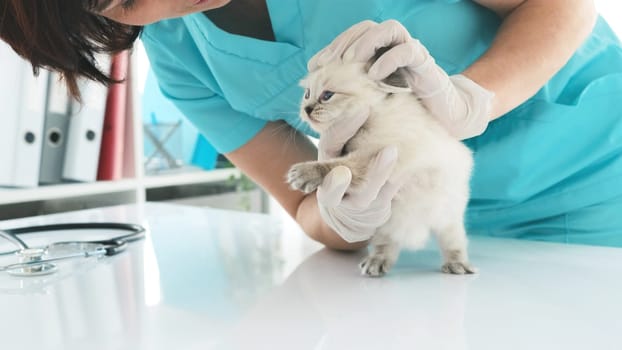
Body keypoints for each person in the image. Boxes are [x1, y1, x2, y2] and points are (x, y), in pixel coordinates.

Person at [2, 0, 621, 249]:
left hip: (600, 176)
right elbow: (303, 206)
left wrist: (478, 98)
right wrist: (345, 215)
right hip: (449, 229)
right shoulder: (182, 56)